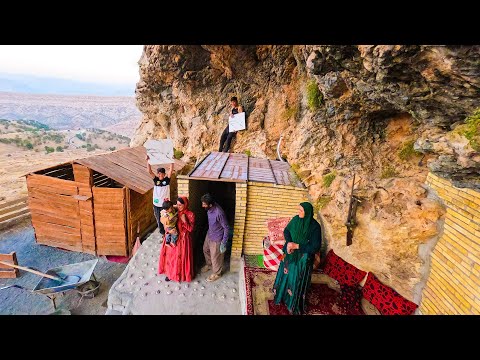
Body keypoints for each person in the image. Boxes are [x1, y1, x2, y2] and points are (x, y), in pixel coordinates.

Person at [272, 202, 322, 315]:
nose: (298, 212)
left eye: (301, 210)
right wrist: (290, 243)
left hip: (303, 257)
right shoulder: (295, 219)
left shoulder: (315, 227)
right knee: (284, 273)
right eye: (298, 209)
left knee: (296, 277)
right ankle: (281, 294)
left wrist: (297, 246)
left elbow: (315, 246)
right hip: (289, 252)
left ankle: (293, 303)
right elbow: (287, 231)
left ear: (307, 212)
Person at [158, 196, 195, 282]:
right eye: (177, 205)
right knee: (170, 257)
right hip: (173, 236)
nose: (178, 207)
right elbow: (165, 221)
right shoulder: (174, 211)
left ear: (185, 204)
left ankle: (181, 276)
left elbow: (191, 229)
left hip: (183, 239)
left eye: (180, 205)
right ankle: (170, 274)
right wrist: (167, 229)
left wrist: (185, 221)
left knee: (180, 258)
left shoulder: (190, 214)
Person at [200, 193, 230, 282]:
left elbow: (226, 227)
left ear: (210, 204)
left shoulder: (219, 213)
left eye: (204, 204)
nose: (202, 206)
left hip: (217, 238)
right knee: (205, 249)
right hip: (210, 233)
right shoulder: (209, 208)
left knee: (215, 257)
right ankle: (209, 265)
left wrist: (224, 242)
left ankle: (217, 273)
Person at [146, 155, 174, 237]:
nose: (160, 175)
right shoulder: (156, 180)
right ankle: (163, 234)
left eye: (162, 173)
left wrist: (171, 160)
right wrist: (148, 161)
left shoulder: (167, 180)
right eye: (159, 173)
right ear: (157, 174)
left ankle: (167, 233)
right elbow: (149, 171)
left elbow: (171, 170)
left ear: (164, 174)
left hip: (165, 205)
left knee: (166, 219)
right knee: (159, 219)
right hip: (156, 204)